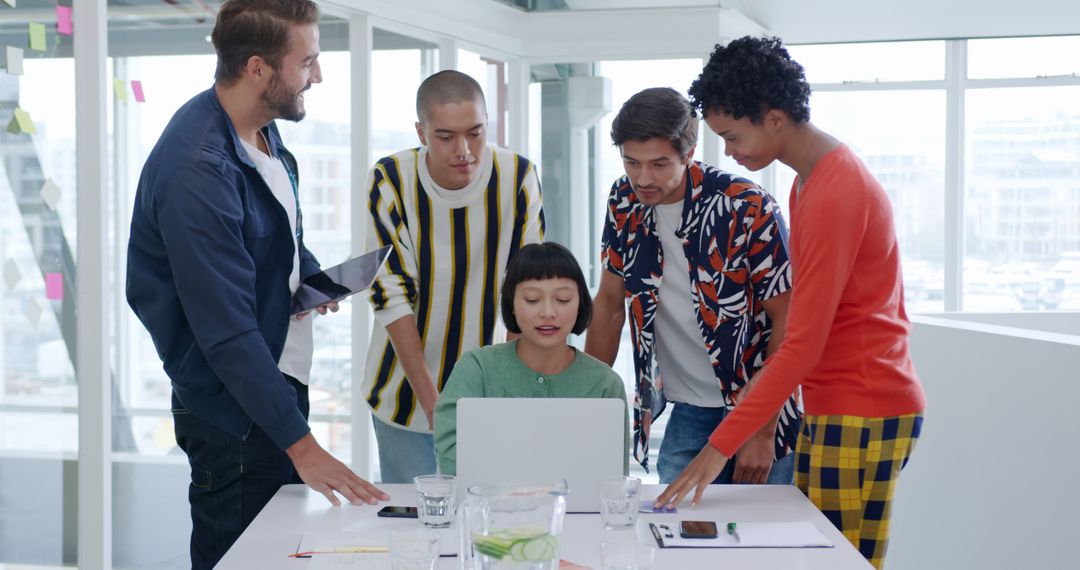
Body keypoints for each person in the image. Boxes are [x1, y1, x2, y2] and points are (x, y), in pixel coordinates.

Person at [126, 1, 386, 567]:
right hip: (235, 410)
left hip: (272, 382)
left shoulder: (262, 132)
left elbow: (277, 230)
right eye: (307, 62)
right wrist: (303, 446)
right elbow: (225, 332)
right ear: (257, 68)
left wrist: (307, 277)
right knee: (241, 559)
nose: (318, 76)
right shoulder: (197, 171)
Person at [655, 36, 926, 570]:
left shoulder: (834, 191)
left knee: (838, 563)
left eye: (733, 136)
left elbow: (802, 343)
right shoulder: (811, 182)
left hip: (862, 404)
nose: (729, 152)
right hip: (842, 403)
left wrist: (719, 447)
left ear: (774, 118)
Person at [585, 87, 800, 486]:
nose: (643, 178)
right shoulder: (623, 201)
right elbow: (610, 305)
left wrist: (762, 428)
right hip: (689, 408)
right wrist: (586, 409)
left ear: (689, 153)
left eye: (659, 164)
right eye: (632, 162)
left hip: (759, 409)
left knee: (766, 525)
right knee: (677, 523)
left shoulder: (746, 206)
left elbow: (789, 321)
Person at [362, 70, 546, 484]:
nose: (463, 151)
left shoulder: (518, 176)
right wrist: (436, 407)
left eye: (475, 133)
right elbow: (391, 295)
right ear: (421, 132)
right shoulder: (390, 178)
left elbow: (527, 290)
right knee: (418, 517)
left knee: (491, 514)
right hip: (402, 394)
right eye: (445, 137)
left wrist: (504, 394)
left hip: (488, 392)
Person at [433, 242, 629, 476]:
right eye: (532, 300)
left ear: (580, 305)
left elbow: (612, 476)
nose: (548, 313)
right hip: (487, 501)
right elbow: (452, 458)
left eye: (563, 299)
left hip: (580, 503)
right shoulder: (476, 370)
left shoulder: (606, 385)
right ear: (511, 305)